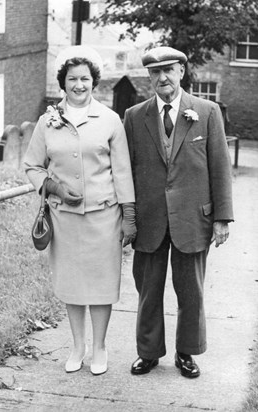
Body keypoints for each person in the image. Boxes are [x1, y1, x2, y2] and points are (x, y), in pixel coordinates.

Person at [24, 45, 136, 375]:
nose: (79, 85)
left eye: (85, 79)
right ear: (63, 83)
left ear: (94, 82)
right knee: (72, 284)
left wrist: (129, 216)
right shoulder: (48, 122)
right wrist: (53, 186)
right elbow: (31, 165)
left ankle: (99, 347)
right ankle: (77, 347)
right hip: (64, 219)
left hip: (104, 216)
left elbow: (123, 172)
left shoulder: (110, 120)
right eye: (72, 79)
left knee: (101, 286)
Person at [124, 46, 234, 378]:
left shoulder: (207, 111)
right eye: (155, 72)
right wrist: (126, 217)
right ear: (149, 77)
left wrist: (222, 218)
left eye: (168, 70)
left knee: (191, 292)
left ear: (182, 72)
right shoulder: (134, 116)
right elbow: (125, 171)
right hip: (150, 220)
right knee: (148, 290)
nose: (162, 78)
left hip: (193, 219)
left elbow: (220, 168)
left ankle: (186, 353)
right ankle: (149, 352)